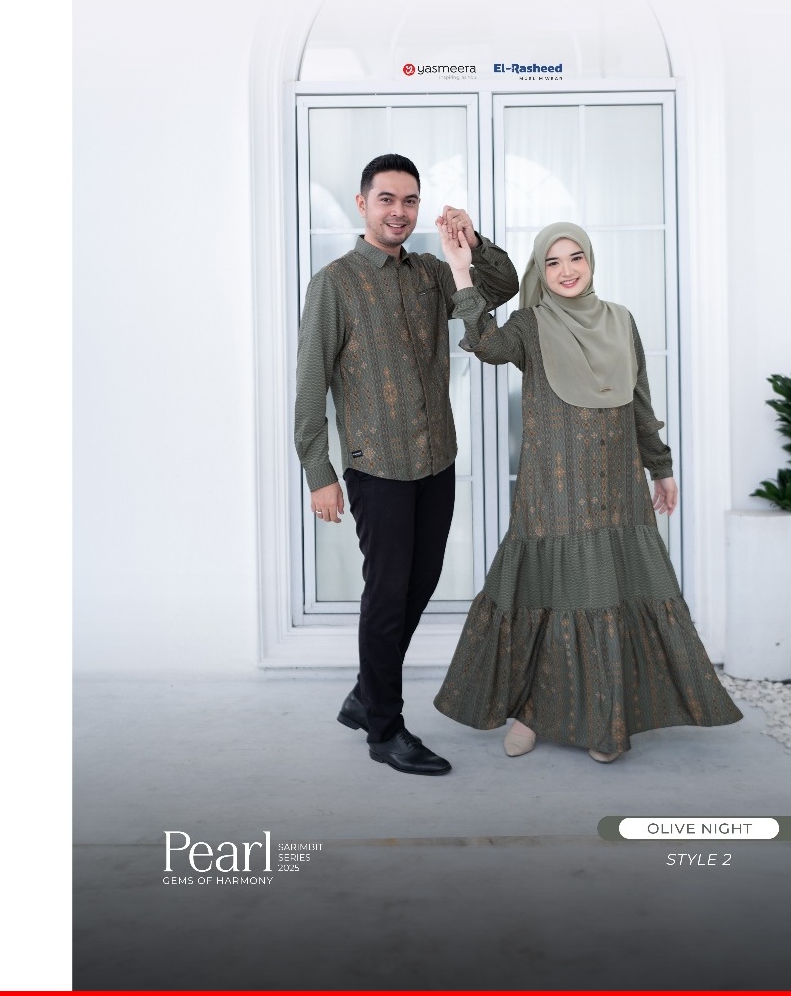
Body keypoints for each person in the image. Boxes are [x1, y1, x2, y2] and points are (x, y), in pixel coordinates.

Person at [433, 220, 742, 762]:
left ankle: (606, 720)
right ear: (541, 271)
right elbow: (484, 343)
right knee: (549, 597)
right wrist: (462, 270)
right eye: (552, 262)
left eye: (575, 257)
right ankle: (531, 712)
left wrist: (661, 468)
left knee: (604, 599)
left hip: (617, 487)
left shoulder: (621, 320)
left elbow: (639, 399)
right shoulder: (530, 325)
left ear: (591, 261)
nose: (567, 270)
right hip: (553, 489)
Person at [294, 153, 519, 776]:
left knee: (419, 584)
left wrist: (472, 241)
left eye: (410, 201)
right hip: (377, 467)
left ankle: (365, 694)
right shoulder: (334, 284)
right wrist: (319, 473)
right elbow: (311, 383)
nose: (399, 212)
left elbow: (502, 286)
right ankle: (385, 728)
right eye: (387, 199)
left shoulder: (431, 274)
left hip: (435, 458)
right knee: (388, 594)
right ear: (363, 204)